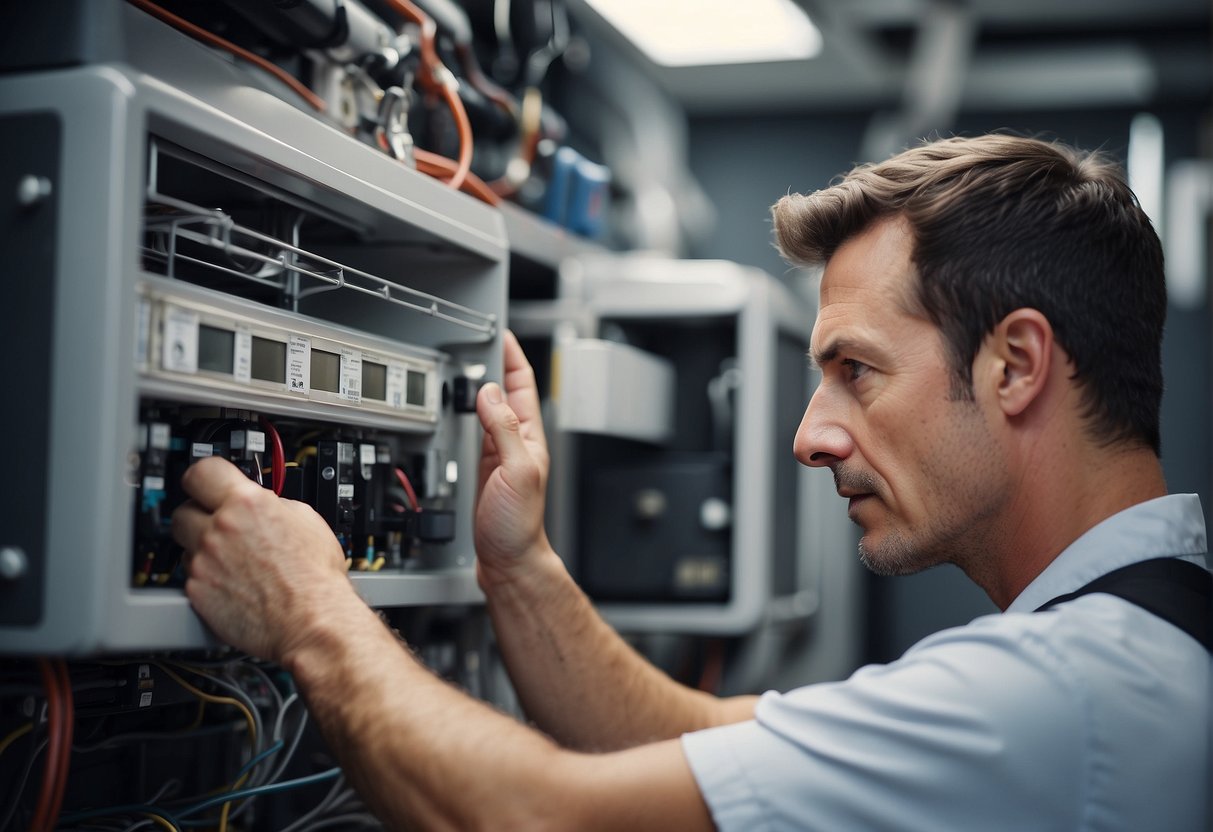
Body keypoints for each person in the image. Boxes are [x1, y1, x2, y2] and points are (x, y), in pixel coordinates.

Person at [173, 133, 1211, 830]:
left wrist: (311, 612)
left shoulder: (1059, 692)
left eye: (857, 372)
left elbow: (535, 815)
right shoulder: (1140, 645)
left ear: (1016, 365)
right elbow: (686, 739)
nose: (809, 438)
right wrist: (519, 565)